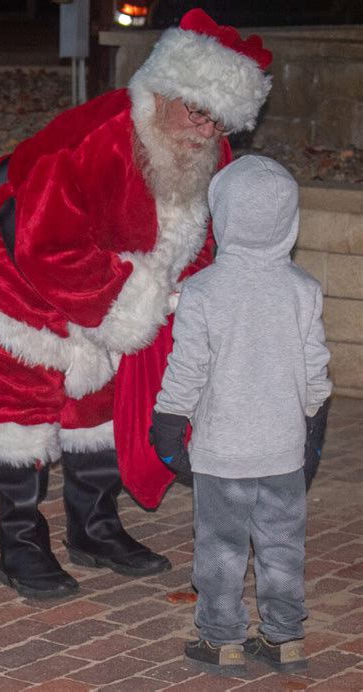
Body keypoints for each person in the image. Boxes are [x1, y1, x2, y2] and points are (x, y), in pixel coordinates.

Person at [0, 9, 273, 600]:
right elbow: (47, 246)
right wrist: (132, 307)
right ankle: (20, 547)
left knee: (105, 402)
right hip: (7, 271)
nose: (204, 130)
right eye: (196, 110)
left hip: (105, 286)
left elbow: (200, 242)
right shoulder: (96, 142)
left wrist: (188, 298)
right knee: (23, 407)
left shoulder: (205, 152)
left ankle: (92, 529)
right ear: (164, 91)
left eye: (220, 121)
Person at [151, 155, 332, 675]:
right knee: (282, 547)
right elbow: (315, 370)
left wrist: (168, 423)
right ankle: (284, 637)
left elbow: (187, 368)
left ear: (222, 215)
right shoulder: (303, 289)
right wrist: (312, 431)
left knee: (221, 548)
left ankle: (222, 639)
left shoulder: (204, 291)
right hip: (283, 450)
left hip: (221, 452)